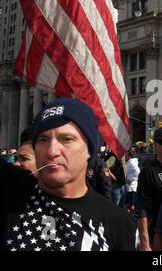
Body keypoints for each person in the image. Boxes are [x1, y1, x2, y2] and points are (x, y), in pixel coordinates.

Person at [0, 97, 135, 251]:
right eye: (43, 140)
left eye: (67, 139)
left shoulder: (117, 221)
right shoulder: (10, 193)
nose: (52, 151)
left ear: (89, 151)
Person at [125, 149, 140, 213]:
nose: (125, 155)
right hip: (130, 186)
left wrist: (131, 179)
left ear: (129, 155)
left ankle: (133, 215)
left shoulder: (132, 162)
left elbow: (137, 171)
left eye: (126, 154)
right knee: (129, 204)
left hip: (132, 186)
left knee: (131, 204)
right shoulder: (130, 162)